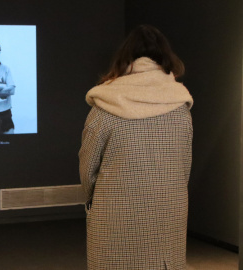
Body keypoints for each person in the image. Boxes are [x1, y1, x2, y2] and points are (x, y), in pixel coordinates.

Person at [78, 25, 194, 269]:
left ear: (124, 57)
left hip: (115, 213)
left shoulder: (105, 106)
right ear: (165, 58)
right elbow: (184, 168)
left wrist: (92, 199)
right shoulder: (180, 106)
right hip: (168, 212)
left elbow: (88, 168)